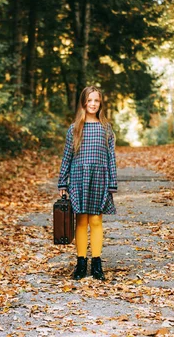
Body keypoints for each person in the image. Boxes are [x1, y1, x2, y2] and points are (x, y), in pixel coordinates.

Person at [58, 86, 118, 281]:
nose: (93, 104)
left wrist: (112, 182)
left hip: (99, 177)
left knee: (96, 220)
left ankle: (97, 263)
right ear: (84, 103)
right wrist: (62, 182)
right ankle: (81, 262)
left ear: (101, 104)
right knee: (81, 220)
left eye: (97, 101)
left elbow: (111, 158)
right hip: (78, 177)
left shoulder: (106, 128)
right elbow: (67, 156)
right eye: (89, 100)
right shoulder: (74, 129)